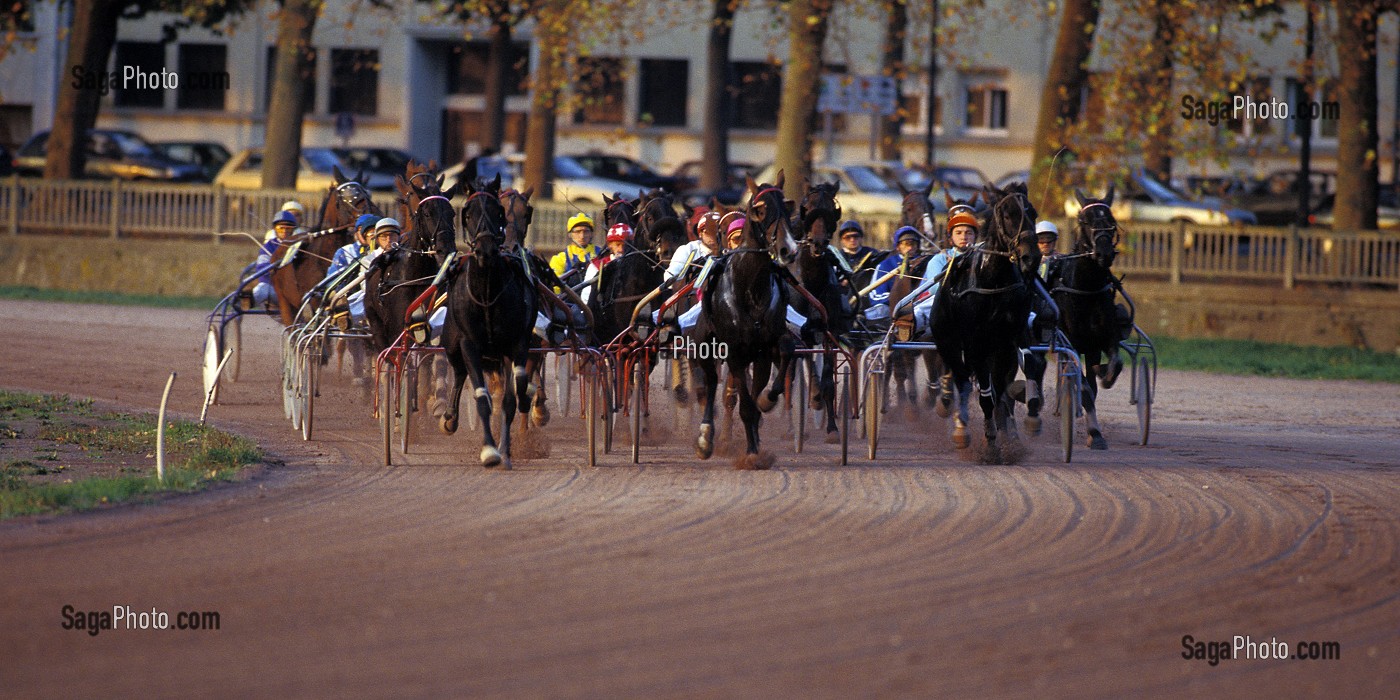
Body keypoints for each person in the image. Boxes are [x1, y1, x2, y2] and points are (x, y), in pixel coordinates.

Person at [912, 211, 981, 332]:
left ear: (975, 237)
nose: (964, 237)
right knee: (922, 310)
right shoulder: (940, 259)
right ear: (951, 238)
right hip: (944, 305)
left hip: (978, 304)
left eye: (968, 233)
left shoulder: (983, 258)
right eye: (958, 233)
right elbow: (934, 289)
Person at [866, 226, 922, 321]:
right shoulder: (885, 265)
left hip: (918, 308)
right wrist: (898, 298)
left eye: (913, 243)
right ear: (898, 246)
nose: (910, 247)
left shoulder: (925, 263)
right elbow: (875, 296)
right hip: (890, 311)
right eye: (906, 243)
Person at [247, 211, 299, 307]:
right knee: (262, 289)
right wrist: (275, 269)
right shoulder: (268, 247)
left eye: (288, 228)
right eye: (281, 228)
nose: (284, 231)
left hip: (294, 291)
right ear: (275, 229)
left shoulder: (298, 245)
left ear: (293, 230)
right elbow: (262, 268)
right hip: (274, 289)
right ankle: (243, 305)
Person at [580, 223, 635, 305]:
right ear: (610, 245)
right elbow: (586, 299)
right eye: (618, 245)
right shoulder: (596, 266)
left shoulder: (636, 266)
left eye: (625, 245)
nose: (621, 249)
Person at [549, 213, 603, 288]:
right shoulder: (559, 259)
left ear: (591, 234)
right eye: (577, 232)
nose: (582, 236)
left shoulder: (601, 254)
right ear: (570, 234)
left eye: (586, 231)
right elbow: (556, 289)